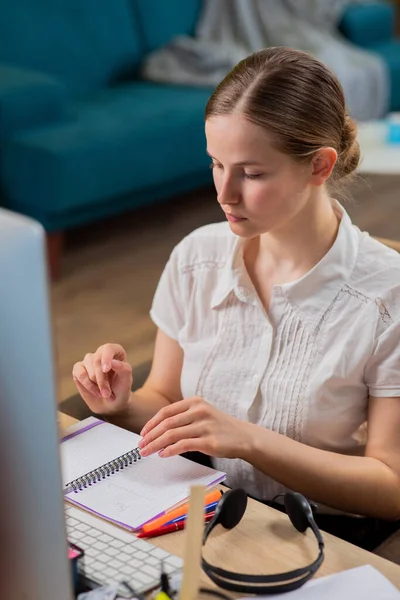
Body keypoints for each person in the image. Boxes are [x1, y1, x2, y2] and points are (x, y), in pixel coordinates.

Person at [73, 47, 400, 550]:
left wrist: (250, 440)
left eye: (252, 173)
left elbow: (391, 486)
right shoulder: (196, 258)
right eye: (216, 164)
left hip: (328, 538)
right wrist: (119, 405)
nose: (225, 193)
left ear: (318, 165)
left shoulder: (387, 298)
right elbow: (164, 399)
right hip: (207, 511)